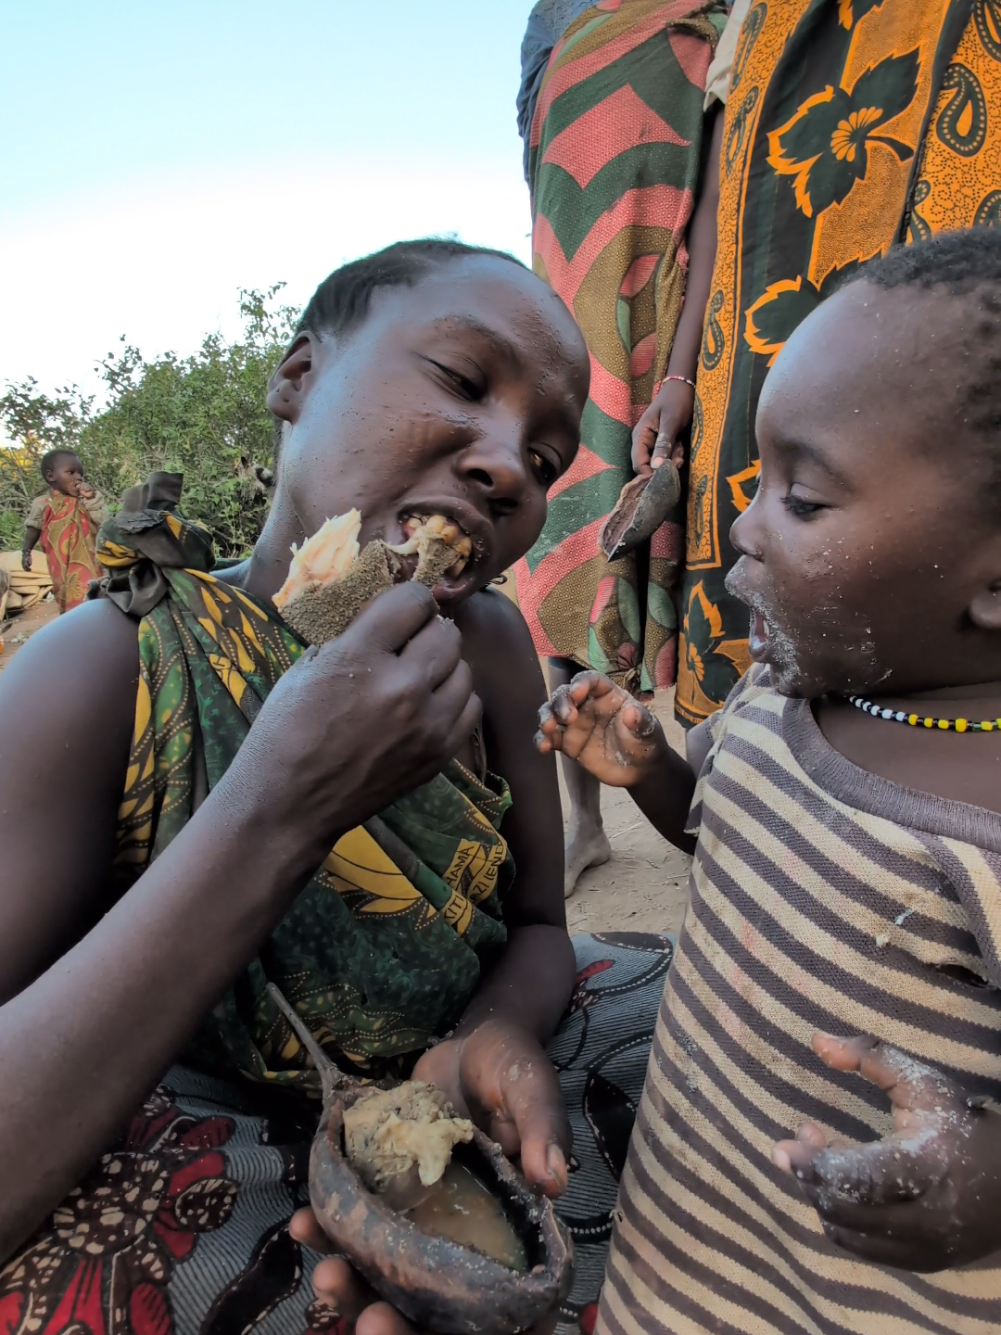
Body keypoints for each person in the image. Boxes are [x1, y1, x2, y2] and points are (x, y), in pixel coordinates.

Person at [0, 240, 670, 1335]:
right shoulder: (109, 669)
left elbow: (541, 923)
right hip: (183, 1110)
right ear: (297, 377)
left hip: (455, 1080)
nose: (505, 467)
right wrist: (283, 804)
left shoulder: (491, 646)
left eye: (545, 462)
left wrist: (493, 1030)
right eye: (460, 381)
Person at [536, 228, 1001, 1333]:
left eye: (801, 497)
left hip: (845, 1297)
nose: (741, 524)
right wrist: (650, 773)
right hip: (680, 1241)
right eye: (754, 477)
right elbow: (727, 836)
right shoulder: (779, 697)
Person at [627, 0, 1001, 727]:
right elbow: (721, 186)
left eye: (799, 499)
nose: (739, 528)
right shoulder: (762, 713)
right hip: (761, 305)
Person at [514, 0, 732, 894]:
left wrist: (681, 373)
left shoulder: (717, 20)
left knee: (728, 567)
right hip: (572, 332)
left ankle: (736, 818)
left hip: (684, 324)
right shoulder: (551, 27)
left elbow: (723, 199)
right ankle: (585, 823)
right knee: (556, 574)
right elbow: (546, 192)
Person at [22, 449, 110, 613]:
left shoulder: (87, 499)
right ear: (51, 476)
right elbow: (34, 527)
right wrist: (26, 552)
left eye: (81, 474)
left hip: (88, 557)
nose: (78, 477)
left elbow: (104, 521)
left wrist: (90, 498)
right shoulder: (42, 503)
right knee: (65, 591)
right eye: (71, 472)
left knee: (93, 589)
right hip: (59, 562)